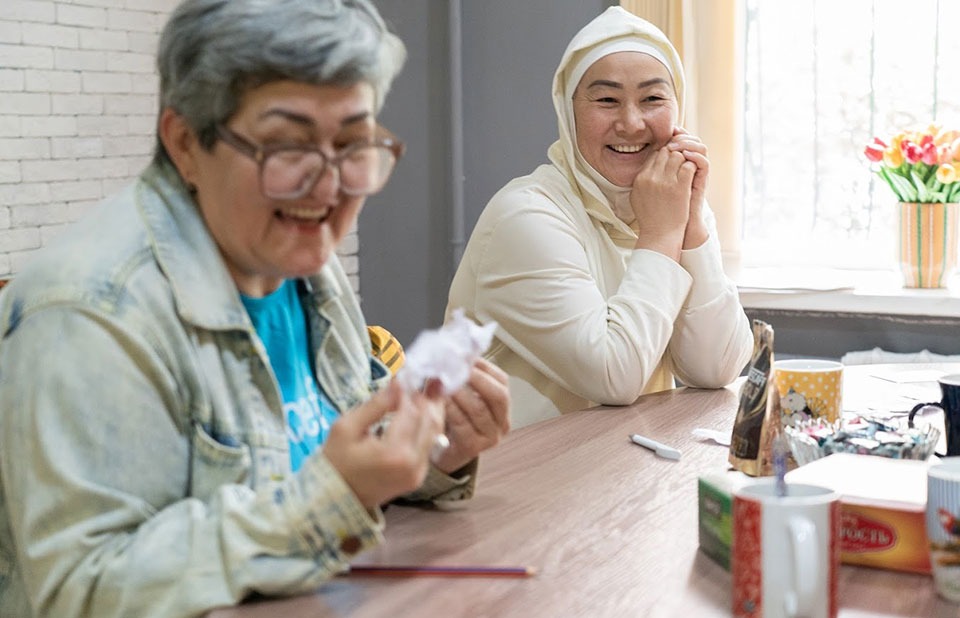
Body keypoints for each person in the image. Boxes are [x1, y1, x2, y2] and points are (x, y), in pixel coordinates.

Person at [0, 1, 509, 617]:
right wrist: (333, 496)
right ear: (186, 143)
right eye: (286, 148)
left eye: (353, 145)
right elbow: (79, 590)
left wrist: (435, 449)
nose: (327, 191)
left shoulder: (303, 267)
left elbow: (339, 451)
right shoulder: (91, 313)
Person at [446, 6, 752, 428]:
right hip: (509, 477)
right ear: (569, 114)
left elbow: (717, 368)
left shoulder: (669, 205)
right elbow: (614, 376)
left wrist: (693, 222)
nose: (631, 123)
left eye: (653, 99)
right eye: (606, 100)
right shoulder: (526, 216)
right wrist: (664, 231)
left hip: (617, 467)